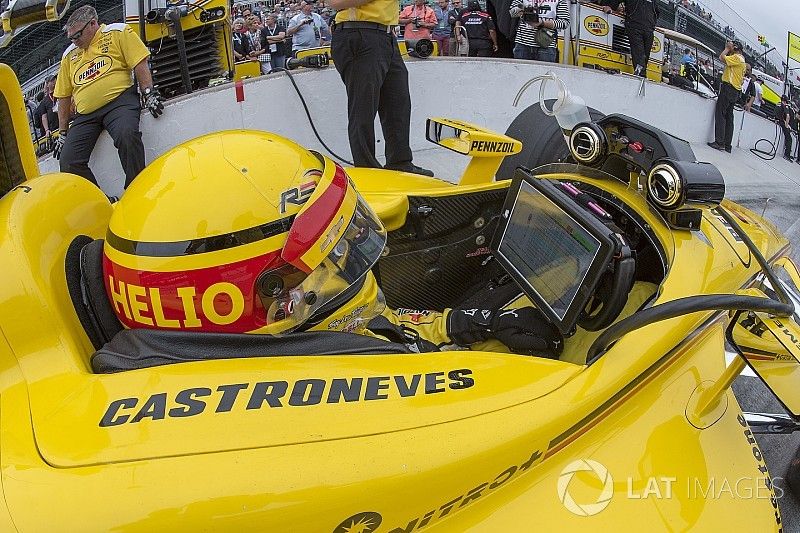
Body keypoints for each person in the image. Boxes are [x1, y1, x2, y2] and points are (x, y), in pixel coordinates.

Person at [101, 132, 563, 357]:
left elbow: (375, 327)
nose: (345, 267)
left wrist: (464, 322)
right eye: (323, 266)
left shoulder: (305, 338)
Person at [53, 6, 164, 191]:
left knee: (127, 135)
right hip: (86, 115)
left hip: (119, 102)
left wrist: (149, 93)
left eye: (77, 35)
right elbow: (63, 96)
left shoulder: (117, 32)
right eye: (71, 38)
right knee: (68, 161)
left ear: (93, 24)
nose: (74, 41)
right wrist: (62, 133)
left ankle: (136, 189)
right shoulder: (69, 55)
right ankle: (101, 201)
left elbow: (139, 61)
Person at [328, 0, 433, 175]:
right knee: (363, 108)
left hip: (385, 34)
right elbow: (335, 2)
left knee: (398, 103)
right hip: (360, 32)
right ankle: (367, 170)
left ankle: (400, 162)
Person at [707, 40, 745, 153]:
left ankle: (719, 142)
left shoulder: (737, 57)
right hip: (735, 90)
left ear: (735, 48)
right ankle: (727, 145)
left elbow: (721, 57)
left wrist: (727, 49)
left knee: (721, 114)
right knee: (729, 117)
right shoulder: (742, 60)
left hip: (728, 88)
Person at [602, 0, 658, 76]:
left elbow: (657, 12)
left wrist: (652, 24)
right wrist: (610, 6)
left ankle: (641, 74)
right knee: (639, 52)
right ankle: (641, 75)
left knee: (645, 55)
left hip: (649, 29)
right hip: (634, 26)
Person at [35, 75, 59, 142]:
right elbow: (44, 117)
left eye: (54, 79)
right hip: (54, 127)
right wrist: (47, 130)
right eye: (51, 80)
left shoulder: (61, 92)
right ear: (47, 84)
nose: (54, 81)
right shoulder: (44, 101)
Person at [777, 95, 793, 161]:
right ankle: (787, 155)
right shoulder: (785, 106)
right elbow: (788, 116)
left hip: (777, 120)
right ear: (786, 101)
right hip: (781, 123)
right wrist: (787, 126)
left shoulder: (778, 103)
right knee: (789, 139)